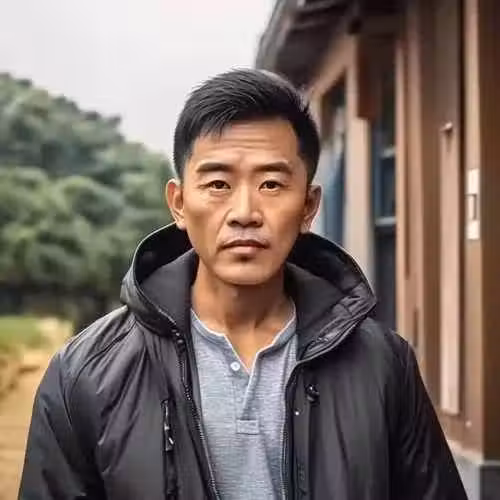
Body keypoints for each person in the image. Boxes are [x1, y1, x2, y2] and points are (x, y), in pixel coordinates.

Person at [19, 69, 467, 500]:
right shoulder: (86, 373)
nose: (245, 212)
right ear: (179, 203)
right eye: (218, 184)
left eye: (271, 184)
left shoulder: (383, 366)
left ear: (308, 206)